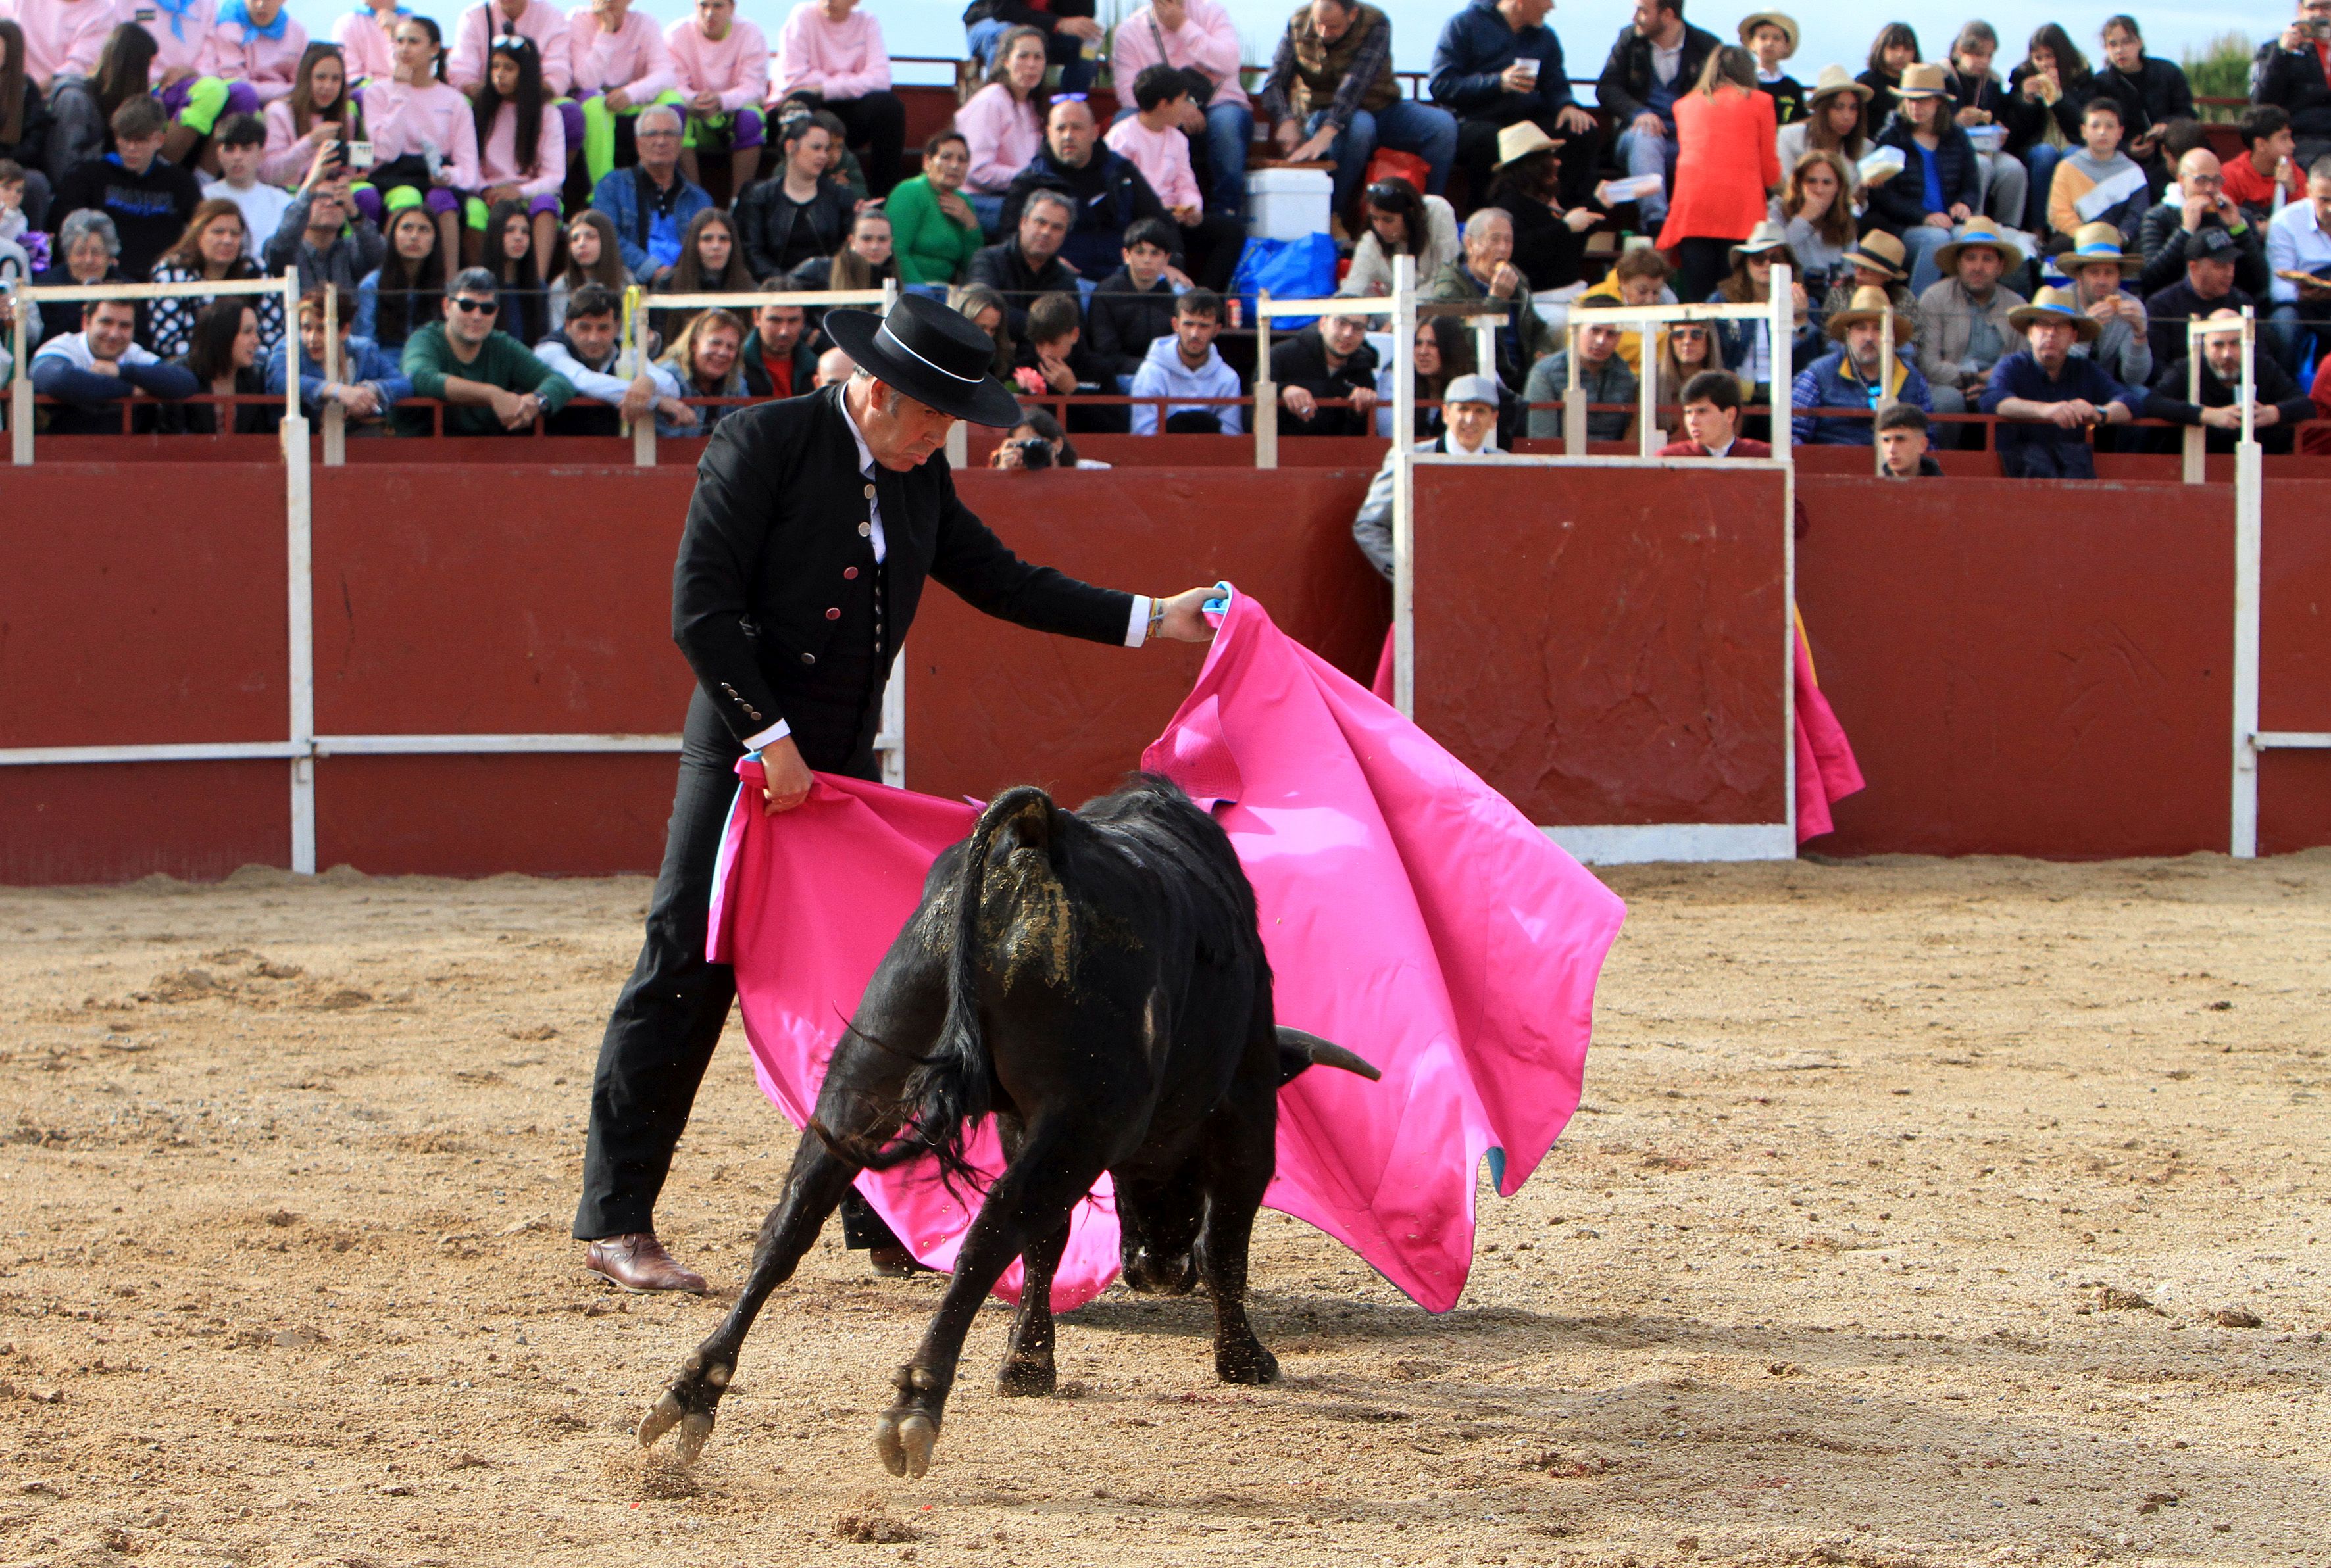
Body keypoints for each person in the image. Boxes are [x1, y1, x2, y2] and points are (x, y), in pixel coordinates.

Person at [572, 289, 1217, 1290]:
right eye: (931, 419)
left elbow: (1007, 582)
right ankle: (617, 1219)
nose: (941, 439)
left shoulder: (917, 482)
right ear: (875, 391)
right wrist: (769, 737)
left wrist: (1152, 618)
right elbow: (702, 609)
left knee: (876, 993)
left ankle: (873, 1216)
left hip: (843, 776)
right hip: (743, 760)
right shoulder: (763, 443)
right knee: (684, 966)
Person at [1257, 0, 1457, 218]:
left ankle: (1427, 215)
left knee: (1442, 126)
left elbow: (1356, 83)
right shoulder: (1297, 23)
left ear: (1352, 15)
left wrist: (1329, 131)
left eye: (1333, 27)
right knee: (1361, 126)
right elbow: (1274, 83)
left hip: (1381, 107)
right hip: (1321, 112)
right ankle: (1334, 215)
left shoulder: (1375, 22)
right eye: (1319, 25)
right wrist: (1286, 121)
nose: (1324, 33)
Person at [1430, 0, 1599, 204]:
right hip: (1474, 121)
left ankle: (1563, 218)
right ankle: (1489, 218)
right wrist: (1498, 82)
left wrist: (1566, 105)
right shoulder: (1464, 25)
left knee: (1581, 130)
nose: (1552, 7)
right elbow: (1441, 85)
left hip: (1524, 120)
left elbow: (1556, 83)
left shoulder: (1545, 37)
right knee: (1493, 140)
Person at [1108, 0, 1251, 224]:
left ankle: (1227, 212)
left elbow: (1230, 62)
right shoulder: (1129, 30)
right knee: (1124, 120)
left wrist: (1183, 26)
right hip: (1163, 109)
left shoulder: (1211, 12)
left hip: (1219, 105)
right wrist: (1178, 108)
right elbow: (1128, 93)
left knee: (1227, 124)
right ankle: (1132, 211)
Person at [999, 97, 1170, 284]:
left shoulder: (1121, 172)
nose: (1068, 136)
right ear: (1048, 133)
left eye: (1076, 128)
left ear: (1095, 132)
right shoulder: (1029, 182)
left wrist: (1172, 263)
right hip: (1061, 281)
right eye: (1061, 128)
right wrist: (1047, 262)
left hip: (1128, 278)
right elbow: (1010, 239)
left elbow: (1158, 221)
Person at [1657, 44, 1779, 303]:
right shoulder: (1761, 102)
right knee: (1735, 302)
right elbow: (1770, 173)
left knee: (1696, 303)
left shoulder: (1684, 105)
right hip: (1742, 214)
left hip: (1692, 214)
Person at [1351, 369, 1500, 578]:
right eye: (1463, 409)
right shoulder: (1410, 458)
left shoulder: (1503, 462)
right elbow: (1369, 525)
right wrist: (1408, 577)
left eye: (1480, 411)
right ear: (1447, 414)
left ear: (1493, 419)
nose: (1470, 419)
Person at [1104, 64, 1240, 292]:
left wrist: (1192, 209)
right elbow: (1119, 195)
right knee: (1165, 230)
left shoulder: (1177, 138)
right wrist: (1164, 212)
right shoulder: (1122, 138)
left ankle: (1205, 296)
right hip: (1141, 219)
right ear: (1164, 105)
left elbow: (1185, 181)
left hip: (1177, 215)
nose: (1188, 107)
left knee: (1231, 232)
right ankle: (1180, 294)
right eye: (1184, 100)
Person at [397, 263, 574, 434]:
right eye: (467, 306)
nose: (477, 316)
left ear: (496, 313)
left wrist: (536, 402)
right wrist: (492, 394)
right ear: (447, 307)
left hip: (488, 454)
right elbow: (419, 377)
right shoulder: (425, 339)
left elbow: (560, 382)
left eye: (487, 309)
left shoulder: (502, 345)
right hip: (423, 453)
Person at [1980, 285, 2137, 477]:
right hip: (2018, 475)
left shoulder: (2085, 369)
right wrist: (2047, 410)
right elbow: (1994, 400)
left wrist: (2100, 413)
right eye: (2043, 325)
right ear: (2030, 333)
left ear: (2073, 336)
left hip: (2073, 471)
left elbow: (2130, 401)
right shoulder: (2012, 365)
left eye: (2061, 326)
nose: (2051, 333)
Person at [358, 16, 477, 266]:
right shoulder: (377, 92)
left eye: (413, 42)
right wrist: (400, 91)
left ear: (434, 49)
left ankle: (450, 282)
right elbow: (385, 152)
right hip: (394, 173)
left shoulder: (454, 101)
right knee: (407, 197)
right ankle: (392, 277)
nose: (404, 49)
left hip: (436, 174)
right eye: (399, 41)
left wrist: (448, 176)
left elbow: (468, 169)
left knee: (443, 200)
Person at [1595, 0, 1719, 231]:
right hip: (1638, 140)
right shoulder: (1629, 39)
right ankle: (1655, 223)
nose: (1635, 18)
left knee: (1709, 151)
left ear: (1667, 15)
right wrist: (1637, 113)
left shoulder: (1707, 47)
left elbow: (1723, 98)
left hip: (1688, 141)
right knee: (1646, 136)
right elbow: (1607, 87)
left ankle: (1700, 228)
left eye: (1642, 11)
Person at [51, 93, 201, 278]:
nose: (131, 148)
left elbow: (199, 230)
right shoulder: (88, 177)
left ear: (159, 140)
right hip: (104, 278)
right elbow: (65, 229)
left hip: (160, 280)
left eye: (140, 140)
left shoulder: (181, 183)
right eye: (125, 139)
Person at [1865, 62, 1979, 294]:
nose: (1916, 107)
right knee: (1936, 240)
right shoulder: (1891, 138)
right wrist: (1924, 216)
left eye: (1923, 100)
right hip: (1905, 227)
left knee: (1969, 240)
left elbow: (1971, 184)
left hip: (1949, 222)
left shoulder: (1957, 137)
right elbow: (1884, 197)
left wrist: (1964, 204)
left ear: (1938, 101)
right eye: (1910, 100)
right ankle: (1918, 309)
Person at [1915, 216, 2025, 446]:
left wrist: (1992, 384)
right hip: (1946, 387)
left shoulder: (2018, 306)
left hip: (1998, 387)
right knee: (1947, 401)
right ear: (1958, 263)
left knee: (2009, 401)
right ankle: (1936, 465)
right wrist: (1974, 378)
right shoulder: (1935, 298)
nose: (1978, 267)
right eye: (1970, 258)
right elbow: (1929, 365)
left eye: (1987, 259)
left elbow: (2021, 365)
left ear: (2000, 266)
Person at [772, 0, 900, 197]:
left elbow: (881, 79)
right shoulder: (802, 16)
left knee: (888, 106)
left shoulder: (868, 22)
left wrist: (825, 87)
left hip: (850, 112)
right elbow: (794, 78)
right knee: (800, 100)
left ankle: (883, 200)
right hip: (811, 110)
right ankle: (791, 193)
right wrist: (852, 79)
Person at [2145, 308, 2313, 454]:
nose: (2227, 354)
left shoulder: (2262, 366)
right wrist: (2207, 415)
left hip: (2257, 466)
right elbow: (2153, 403)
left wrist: (2274, 413)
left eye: (2235, 343)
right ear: (2205, 347)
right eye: (2218, 345)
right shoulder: (2187, 368)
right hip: (2195, 462)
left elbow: (2306, 405)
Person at [1426, 205, 1556, 389]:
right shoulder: (1449, 288)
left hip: (1523, 375)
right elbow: (1461, 347)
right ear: (1470, 244)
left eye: (1508, 241)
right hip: (1479, 377)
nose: (1503, 248)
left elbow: (1535, 326)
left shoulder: (1517, 278)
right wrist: (1496, 301)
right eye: (1494, 240)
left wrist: (1543, 351)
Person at [30, 293, 199, 430]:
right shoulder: (63, 347)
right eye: (106, 322)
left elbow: (186, 382)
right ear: (86, 322)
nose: (114, 334)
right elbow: (58, 380)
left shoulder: (133, 352)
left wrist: (121, 371)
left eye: (125, 326)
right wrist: (130, 389)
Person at [467, 34, 563, 270]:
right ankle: (483, 278)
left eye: (509, 68)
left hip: (529, 193)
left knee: (546, 205)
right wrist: (485, 189)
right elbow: (468, 162)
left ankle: (537, 283)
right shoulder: (479, 111)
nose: (500, 74)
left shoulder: (547, 113)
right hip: (488, 193)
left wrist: (519, 191)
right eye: (495, 67)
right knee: (472, 211)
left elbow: (555, 175)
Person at [1790, 284, 1930, 445]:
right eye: (1861, 328)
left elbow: (1927, 441)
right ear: (1848, 334)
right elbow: (1792, 436)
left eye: (1878, 329)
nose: (1869, 337)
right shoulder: (1817, 376)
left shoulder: (1913, 379)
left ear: (1892, 335)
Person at [586, 102, 709, 284]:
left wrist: (680, 276)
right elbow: (606, 237)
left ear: (681, 141)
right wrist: (654, 270)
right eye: (652, 134)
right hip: (629, 285)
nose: (661, 141)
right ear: (638, 143)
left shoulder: (699, 199)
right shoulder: (612, 186)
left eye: (669, 134)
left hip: (686, 286)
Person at [534, 279, 676, 434]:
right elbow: (582, 380)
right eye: (585, 328)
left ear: (617, 327)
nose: (593, 338)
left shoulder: (624, 351)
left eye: (603, 328)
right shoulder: (549, 350)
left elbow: (671, 386)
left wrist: (649, 382)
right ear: (568, 325)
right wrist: (655, 401)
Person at [146, 196, 280, 361]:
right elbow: (168, 342)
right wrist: (221, 359)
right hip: (189, 369)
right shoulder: (171, 273)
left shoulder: (256, 271)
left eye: (235, 234)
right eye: (218, 232)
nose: (227, 240)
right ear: (198, 234)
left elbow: (273, 337)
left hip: (248, 368)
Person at [567, 0, 677, 189]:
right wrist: (606, 31)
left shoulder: (645, 23)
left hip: (632, 106)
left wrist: (630, 94)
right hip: (597, 110)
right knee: (593, 103)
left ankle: (665, 186)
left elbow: (666, 74)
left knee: (672, 100)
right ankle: (604, 192)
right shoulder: (578, 20)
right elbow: (586, 81)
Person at [270, 282, 408, 427]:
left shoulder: (363, 351)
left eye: (322, 329)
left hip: (353, 442)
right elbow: (279, 380)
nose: (312, 338)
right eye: (306, 328)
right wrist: (338, 391)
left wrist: (369, 390)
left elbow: (404, 384)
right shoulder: (289, 347)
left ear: (344, 331)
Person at [1708, 220, 1815, 405]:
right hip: (1734, 391)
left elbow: (1811, 362)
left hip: (1788, 391)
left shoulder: (1807, 302)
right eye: (1758, 258)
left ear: (1788, 264)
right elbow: (1709, 346)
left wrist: (1801, 321)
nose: (1767, 264)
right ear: (1746, 263)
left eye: (1775, 259)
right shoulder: (1722, 300)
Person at [2138, 147, 2272, 296]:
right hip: (2175, 305)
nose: (2210, 189)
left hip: (2229, 302)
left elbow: (2261, 281)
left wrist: (2238, 229)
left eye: (2216, 181)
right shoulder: (2158, 217)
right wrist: (2186, 231)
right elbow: (2150, 278)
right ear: (2182, 180)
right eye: (2201, 181)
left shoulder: (2240, 217)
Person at [1482, 121, 1595, 291]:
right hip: (1540, 298)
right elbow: (1523, 249)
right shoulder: (1508, 206)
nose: (1557, 162)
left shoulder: (1542, 198)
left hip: (1567, 292)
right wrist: (1565, 227)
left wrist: (1600, 202)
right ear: (1532, 166)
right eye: (1548, 157)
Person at [956, 24, 1047, 235]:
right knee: (1037, 223)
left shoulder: (1034, 106)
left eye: (1038, 57)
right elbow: (976, 170)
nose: (1031, 65)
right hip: (976, 200)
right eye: (1023, 56)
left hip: (1018, 196)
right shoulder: (991, 101)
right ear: (1006, 61)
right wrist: (1031, 178)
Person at [735, 110, 848, 280]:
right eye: (816, 148)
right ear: (790, 147)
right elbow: (751, 252)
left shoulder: (840, 196)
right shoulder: (758, 196)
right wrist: (785, 284)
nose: (824, 156)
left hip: (826, 291)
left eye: (826, 149)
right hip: (772, 291)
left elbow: (844, 252)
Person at [2003, 24, 2094, 232]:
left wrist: (2059, 96)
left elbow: (2082, 124)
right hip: (2038, 146)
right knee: (2045, 155)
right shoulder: (2022, 79)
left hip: (2073, 143)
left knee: (2073, 155)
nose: (2044, 64)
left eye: (2050, 56)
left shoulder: (2083, 77)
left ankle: (2070, 227)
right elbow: (2017, 134)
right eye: (2038, 58)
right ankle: (2039, 229)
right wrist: (2025, 100)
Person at [665, 0, 764, 192]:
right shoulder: (676, 34)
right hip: (694, 114)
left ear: (732, 8)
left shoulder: (751, 33)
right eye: (704, 6)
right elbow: (673, 84)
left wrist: (721, 101)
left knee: (751, 119)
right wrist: (694, 100)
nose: (710, 13)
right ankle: (694, 198)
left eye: (718, 6)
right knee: (673, 112)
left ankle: (739, 202)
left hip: (732, 112)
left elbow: (754, 89)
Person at [263, 143, 385, 293]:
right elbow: (282, 245)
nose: (330, 203)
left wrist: (354, 212)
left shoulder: (351, 251)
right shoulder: (286, 251)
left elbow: (378, 256)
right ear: (307, 202)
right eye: (321, 197)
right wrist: (310, 186)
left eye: (338, 199)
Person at [1942, 21, 2026, 226]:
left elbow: (1999, 116)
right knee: (1981, 166)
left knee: (2014, 169)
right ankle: (1973, 227)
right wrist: (1956, 122)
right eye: (1979, 55)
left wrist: (2001, 131)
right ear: (1961, 50)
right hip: (1952, 150)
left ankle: (2008, 228)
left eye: (1989, 56)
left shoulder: (1993, 81)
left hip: (1986, 147)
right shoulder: (1941, 76)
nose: (1984, 62)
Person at [1086, 215, 1186, 387]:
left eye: (1155, 253)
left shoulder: (1176, 297)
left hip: (1167, 376)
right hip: (1120, 377)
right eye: (1140, 252)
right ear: (1126, 255)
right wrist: (1150, 369)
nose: (1147, 260)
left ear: (1166, 259)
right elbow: (1105, 354)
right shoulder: (1106, 293)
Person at [965, 187, 1076, 338]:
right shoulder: (988, 260)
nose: (1046, 232)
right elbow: (982, 310)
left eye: (1057, 228)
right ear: (1023, 223)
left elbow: (1071, 331)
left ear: (1065, 236)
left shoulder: (1065, 279)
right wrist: (1048, 328)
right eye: (1040, 222)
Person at [1123, 287, 1232, 435]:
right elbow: (1143, 435)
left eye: (1204, 326)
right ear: (1175, 325)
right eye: (1188, 324)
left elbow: (1232, 437)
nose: (1195, 334)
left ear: (1216, 330)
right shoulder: (1150, 373)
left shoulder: (1228, 378)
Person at [2092, 15, 2190, 182]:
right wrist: (2128, 149)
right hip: (2123, 159)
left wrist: (2167, 125)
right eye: (2113, 44)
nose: (2119, 50)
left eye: (2126, 42)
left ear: (2139, 42)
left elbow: (2187, 113)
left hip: (2171, 153)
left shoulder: (2167, 72)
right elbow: (2095, 126)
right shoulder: (2101, 84)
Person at [160, 297, 277, 433]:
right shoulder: (180, 375)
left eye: (256, 332)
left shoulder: (256, 378)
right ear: (222, 335)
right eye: (247, 332)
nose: (256, 340)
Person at [2044, 95, 2145, 249]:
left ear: (2120, 132)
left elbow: (2137, 214)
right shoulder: (2067, 167)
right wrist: (2086, 237)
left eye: (2110, 126)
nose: (2102, 132)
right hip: (2079, 240)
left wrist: (2121, 237)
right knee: (2058, 247)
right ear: (2084, 131)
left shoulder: (2133, 173)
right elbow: (2059, 213)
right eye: (2095, 126)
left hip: (2119, 242)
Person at [2061, 221, 2151, 390]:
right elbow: (2057, 369)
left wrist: (2140, 336)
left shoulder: (2131, 306)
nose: (2102, 281)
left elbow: (2135, 378)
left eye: (2109, 273)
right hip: (2063, 386)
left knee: (2141, 394)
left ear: (2119, 276)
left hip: (2106, 388)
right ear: (2079, 276)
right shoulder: (2060, 301)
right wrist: (2085, 333)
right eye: (2094, 273)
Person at [886, 129, 982, 287]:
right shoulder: (910, 191)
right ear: (927, 162)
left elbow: (971, 267)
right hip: (910, 288)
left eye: (962, 160)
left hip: (947, 291)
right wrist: (921, 292)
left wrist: (971, 225)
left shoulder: (965, 202)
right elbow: (896, 250)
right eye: (946, 157)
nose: (955, 166)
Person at [2157, 223, 2261, 369]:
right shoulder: (2163, 306)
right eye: (2220, 266)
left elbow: (2261, 361)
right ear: (2194, 267)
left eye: (2232, 264)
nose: (2229, 273)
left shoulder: (2242, 302)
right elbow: (2157, 369)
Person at [1523, 305, 1634, 440]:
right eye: (1595, 331)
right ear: (1574, 329)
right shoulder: (1544, 373)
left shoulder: (1626, 376)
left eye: (1611, 334)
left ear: (1620, 338)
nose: (1601, 341)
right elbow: (1542, 439)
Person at [1011, 287, 1111, 433]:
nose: (1046, 353)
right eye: (1040, 344)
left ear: (1074, 335)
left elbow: (1114, 428)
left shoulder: (1098, 370)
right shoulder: (1020, 370)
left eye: (1054, 343)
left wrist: (1074, 392)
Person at [260, 43, 359, 189]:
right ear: (306, 79)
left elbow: (347, 170)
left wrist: (352, 175)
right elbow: (269, 174)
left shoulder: (347, 119)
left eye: (336, 79)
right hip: (287, 194)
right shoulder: (279, 112)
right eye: (321, 77)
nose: (328, 86)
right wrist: (311, 142)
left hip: (328, 196)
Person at [1341, 178, 1457, 299]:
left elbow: (1446, 276)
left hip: (1440, 304)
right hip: (1395, 308)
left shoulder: (1438, 212)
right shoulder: (1371, 240)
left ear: (1409, 214)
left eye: (1388, 220)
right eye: (1375, 219)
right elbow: (1353, 287)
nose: (1380, 228)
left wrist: (1409, 306)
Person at [2253, 0, 2331, 174]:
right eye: (2312, 7)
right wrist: (2282, 53)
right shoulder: (2274, 50)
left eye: (2326, 7)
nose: (2319, 14)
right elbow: (2260, 104)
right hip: (2299, 139)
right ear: (2300, 11)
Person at [652, 204, 752, 339]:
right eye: (707, 239)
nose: (716, 246)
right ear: (694, 244)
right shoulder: (667, 285)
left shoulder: (747, 285)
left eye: (724, 239)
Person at [30, 207, 127, 346]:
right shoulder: (44, 288)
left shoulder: (127, 288)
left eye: (97, 252)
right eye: (81, 252)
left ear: (109, 256)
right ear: (68, 256)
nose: (89, 260)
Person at [1270, 309, 1376, 437]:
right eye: (1341, 323)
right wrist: (1283, 390)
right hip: (1282, 451)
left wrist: (1359, 411)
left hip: (1338, 453)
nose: (1348, 333)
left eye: (1358, 328)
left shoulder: (1363, 369)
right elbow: (1251, 418)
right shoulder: (1281, 355)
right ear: (1323, 324)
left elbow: (1362, 439)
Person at [2267, 157, 2331, 366]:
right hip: (2303, 303)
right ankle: (2286, 388)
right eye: (2324, 200)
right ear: (2308, 191)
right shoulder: (2286, 222)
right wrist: (2302, 294)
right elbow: (2278, 286)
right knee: (2285, 322)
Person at [962, 0, 1099, 98]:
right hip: (991, 21)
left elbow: (1085, 14)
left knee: (1086, 49)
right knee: (1007, 36)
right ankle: (1000, 105)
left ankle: (1070, 109)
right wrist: (1058, 23)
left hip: (1045, 30)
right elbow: (1003, 10)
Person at [356, 197, 445, 347]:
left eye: (424, 230)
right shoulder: (372, 285)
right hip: (381, 366)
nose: (414, 237)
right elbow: (365, 343)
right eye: (407, 228)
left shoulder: (444, 289)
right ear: (393, 235)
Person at [1374, 314, 1480, 440]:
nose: (1423, 352)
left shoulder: (1476, 379)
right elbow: (1391, 436)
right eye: (1418, 343)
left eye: (1433, 344)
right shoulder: (1394, 379)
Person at [1576, 241, 1674, 374]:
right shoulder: (1591, 301)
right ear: (1623, 282)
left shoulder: (1668, 302)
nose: (1650, 300)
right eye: (1642, 291)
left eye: (1656, 292)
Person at [447, 0, 572, 103]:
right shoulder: (473, 17)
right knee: (461, 103)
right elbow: (462, 74)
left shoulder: (553, 18)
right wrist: (495, 97)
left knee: (568, 109)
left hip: (535, 106)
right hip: (484, 105)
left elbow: (557, 78)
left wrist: (517, 97)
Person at [202, 112, 288, 257]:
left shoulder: (281, 202)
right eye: (230, 149)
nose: (237, 157)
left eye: (246, 149)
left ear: (261, 154)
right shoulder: (205, 198)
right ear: (219, 155)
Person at [655, 303, 747, 435]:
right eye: (715, 343)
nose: (722, 352)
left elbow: (744, 431)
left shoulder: (735, 381)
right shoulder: (667, 376)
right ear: (694, 344)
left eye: (731, 347)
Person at [0, 20, 59, 228]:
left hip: (13, 166)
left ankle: (33, 246)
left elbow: (35, 143)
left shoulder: (26, 90)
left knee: (35, 183)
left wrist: (7, 163)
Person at [1775, 149, 1855, 296]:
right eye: (1811, 181)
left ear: (1838, 187)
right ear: (1799, 184)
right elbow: (1776, 254)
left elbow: (1850, 270)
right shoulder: (1778, 210)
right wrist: (1803, 219)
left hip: (1830, 296)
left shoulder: (1844, 217)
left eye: (1827, 183)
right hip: (1789, 292)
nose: (1819, 190)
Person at [210, 0, 308, 114]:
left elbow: (302, 83)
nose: (261, 5)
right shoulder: (229, 25)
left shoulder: (297, 33)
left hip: (283, 104)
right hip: (240, 104)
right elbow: (236, 81)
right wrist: (289, 91)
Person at [478, 197, 549, 345]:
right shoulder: (478, 287)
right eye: (510, 230)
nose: (519, 238)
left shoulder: (538, 288)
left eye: (525, 232)